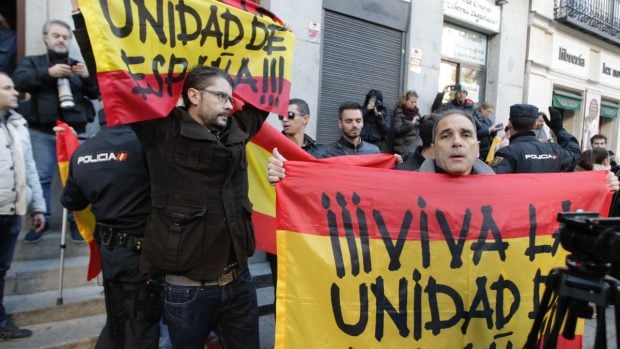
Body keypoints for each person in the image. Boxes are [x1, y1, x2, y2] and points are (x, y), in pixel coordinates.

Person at [130, 65, 268, 349]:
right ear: (193, 95)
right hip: (188, 291)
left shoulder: (237, 130)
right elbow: (116, 79)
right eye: (221, 97)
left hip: (239, 282)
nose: (229, 106)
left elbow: (266, 94)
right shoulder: (162, 132)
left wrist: (278, 43)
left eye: (231, 99)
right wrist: (86, 24)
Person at [60, 112, 160, 349]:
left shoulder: (83, 152)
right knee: (141, 327)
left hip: (110, 253)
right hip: (142, 255)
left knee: (116, 324)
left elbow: (72, 201)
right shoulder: (146, 145)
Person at [12, 19, 98, 242]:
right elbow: (19, 82)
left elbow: (96, 93)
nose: (61, 40)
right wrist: (48, 73)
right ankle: (41, 221)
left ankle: (76, 224)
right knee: (41, 178)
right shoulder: (34, 63)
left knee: (78, 179)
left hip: (74, 131)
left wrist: (87, 77)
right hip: (42, 131)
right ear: (46, 38)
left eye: (65, 37)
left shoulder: (77, 65)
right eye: (56, 36)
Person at [0, 72, 46, 340]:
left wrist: (38, 207)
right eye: (7, 88)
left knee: (2, 270)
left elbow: (29, 168)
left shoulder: (18, 125)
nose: (14, 92)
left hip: (12, 212)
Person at [492, 104, 581, 174]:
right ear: (535, 125)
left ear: (510, 124)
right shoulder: (554, 150)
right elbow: (575, 153)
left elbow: (492, 180)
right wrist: (559, 129)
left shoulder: (507, 153)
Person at [310, 102, 380, 158]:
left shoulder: (374, 152)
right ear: (340, 124)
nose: (354, 125)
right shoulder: (325, 154)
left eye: (358, 121)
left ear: (362, 123)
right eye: (349, 121)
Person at [392, 90, 421, 160]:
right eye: (412, 102)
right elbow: (398, 131)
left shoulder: (416, 112)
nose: (414, 104)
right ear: (405, 101)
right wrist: (412, 123)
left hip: (414, 147)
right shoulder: (399, 113)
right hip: (403, 149)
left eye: (415, 102)